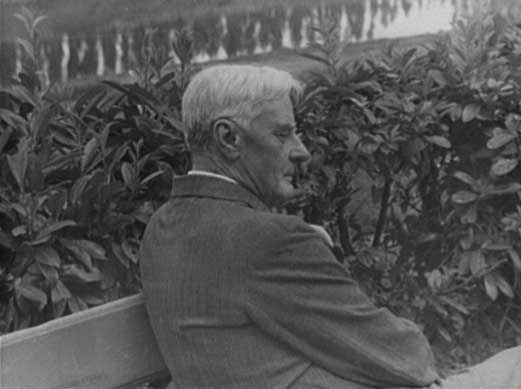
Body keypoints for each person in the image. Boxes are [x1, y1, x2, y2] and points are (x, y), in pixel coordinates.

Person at [139, 64, 521, 389]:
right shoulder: (269, 242)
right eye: (282, 133)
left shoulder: (161, 228)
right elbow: (405, 358)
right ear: (228, 138)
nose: (301, 151)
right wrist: (299, 245)